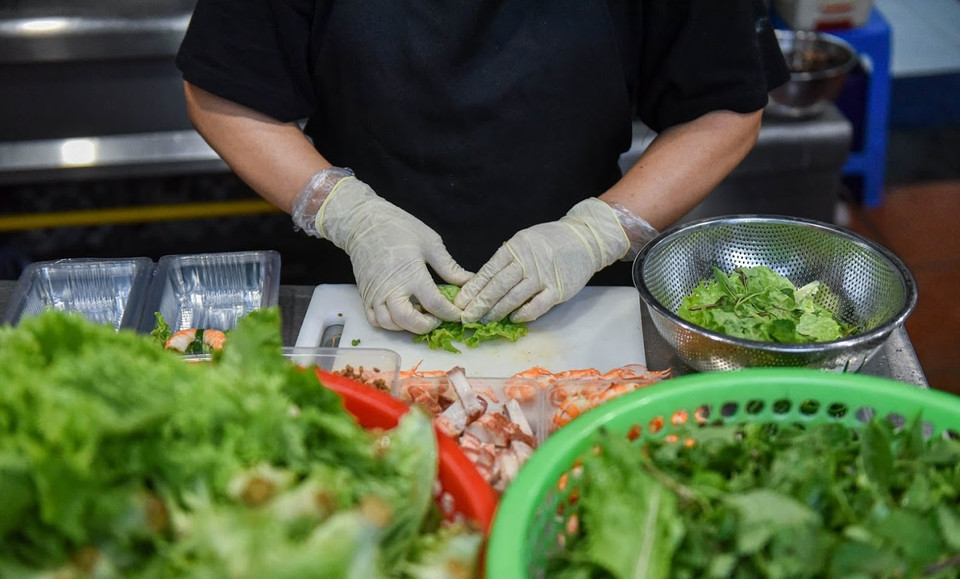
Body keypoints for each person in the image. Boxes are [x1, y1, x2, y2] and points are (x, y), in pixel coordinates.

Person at [176, 1, 789, 335]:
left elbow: (722, 109)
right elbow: (226, 94)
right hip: (350, 297)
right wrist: (348, 215)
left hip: (573, 301)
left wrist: (594, 234)